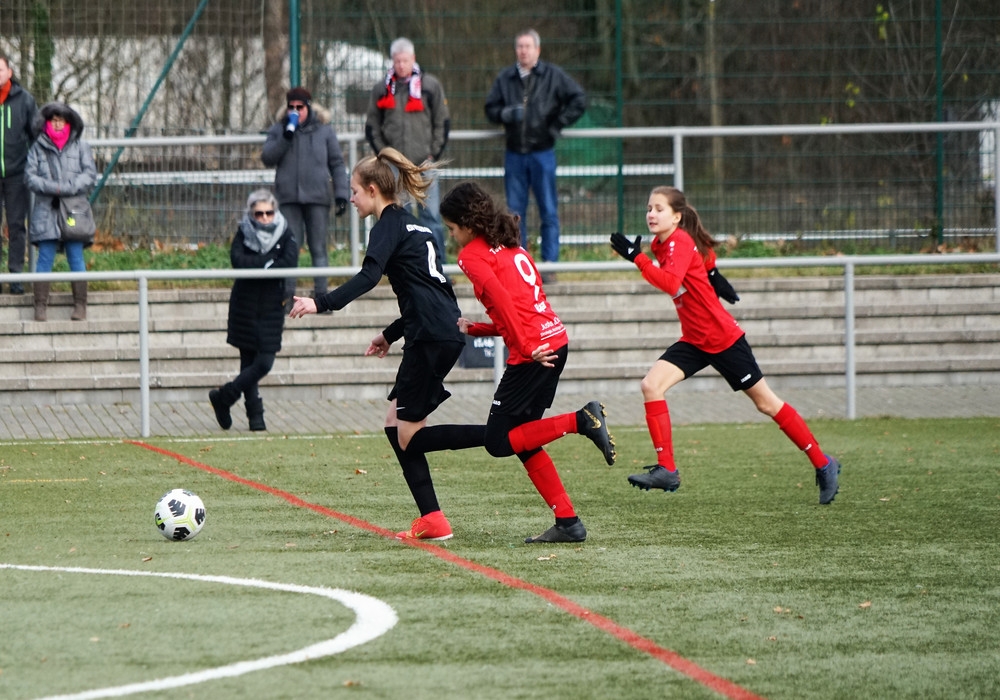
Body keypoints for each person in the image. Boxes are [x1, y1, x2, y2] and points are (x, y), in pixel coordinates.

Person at [289, 147, 482, 541]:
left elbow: (368, 277)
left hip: (429, 337)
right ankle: (433, 518)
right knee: (396, 424)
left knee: (407, 434)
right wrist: (390, 335)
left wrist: (319, 303)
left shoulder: (386, 226)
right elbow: (427, 293)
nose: (351, 199)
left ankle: (499, 433)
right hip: (442, 330)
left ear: (373, 190)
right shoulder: (418, 228)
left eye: (354, 191)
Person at [610, 186, 841, 505]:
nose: (651, 214)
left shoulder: (679, 240)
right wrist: (711, 271)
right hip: (695, 339)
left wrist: (637, 258)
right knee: (651, 385)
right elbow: (699, 256)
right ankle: (667, 470)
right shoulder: (661, 244)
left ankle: (824, 463)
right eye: (649, 208)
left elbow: (671, 282)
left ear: (676, 217)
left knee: (767, 404)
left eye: (659, 209)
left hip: (722, 339)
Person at [440, 181, 616, 543]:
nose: (452, 236)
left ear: (467, 223)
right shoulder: (509, 243)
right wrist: (478, 328)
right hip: (554, 341)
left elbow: (504, 301)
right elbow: (523, 305)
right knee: (524, 440)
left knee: (498, 441)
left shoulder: (471, 255)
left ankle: (581, 420)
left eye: (452, 228)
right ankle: (568, 522)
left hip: (534, 351)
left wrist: (524, 345)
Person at [484, 29, 586, 279]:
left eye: (528, 46)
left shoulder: (553, 76)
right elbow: (490, 108)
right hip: (515, 154)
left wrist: (557, 124)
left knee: (548, 210)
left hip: (542, 153)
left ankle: (550, 266)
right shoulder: (506, 78)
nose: (523, 51)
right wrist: (506, 114)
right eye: (520, 46)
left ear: (537, 50)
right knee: (514, 214)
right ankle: (520, 268)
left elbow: (578, 99)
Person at [208, 189, 298, 432]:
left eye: (269, 212)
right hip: (244, 305)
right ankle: (255, 417)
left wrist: (261, 267)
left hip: (272, 306)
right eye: (259, 214)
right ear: (252, 214)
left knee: (265, 362)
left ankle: (224, 397)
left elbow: (289, 261)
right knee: (247, 361)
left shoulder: (285, 232)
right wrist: (268, 262)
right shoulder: (243, 232)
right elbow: (239, 261)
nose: (265, 217)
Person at [365, 37, 450, 262]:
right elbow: (372, 126)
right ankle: (401, 266)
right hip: (393, 166)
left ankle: (438, 265)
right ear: (392, 61)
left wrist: (433, 153)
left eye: (405, 60)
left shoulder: (430, 86)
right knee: (395, 217)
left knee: (430, 217)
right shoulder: (382, 89)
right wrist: (384, 154)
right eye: (397, 61)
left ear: (413, 59)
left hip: (424, 164)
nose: (401, 65)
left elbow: (442, 122)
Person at [261, 86, 350, 302]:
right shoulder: (278, 129)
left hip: (317, 198)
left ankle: (322, 296)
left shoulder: (324, 131)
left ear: (308, 107)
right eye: (291, 107)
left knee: (318, 247)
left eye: (299, 107)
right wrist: (286, 136)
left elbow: (337, 163)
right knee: (290, 247)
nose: (295, 111)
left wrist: (341, 193)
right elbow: (267, 157)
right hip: (288, 198)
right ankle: (287, 296)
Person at [24, 102, 97, 322]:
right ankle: (40, 306)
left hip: (73, 213)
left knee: (75, 254)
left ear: (69, 123)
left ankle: (80, 306)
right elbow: (29, 177)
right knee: (45, 256)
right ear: (47, 123)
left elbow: (89, 175)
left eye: (61, 121)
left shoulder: (81, 147)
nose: (57, 124)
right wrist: (52, 187)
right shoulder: (37, 148)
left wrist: (67, 188)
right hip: (46, 211)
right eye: (53, 120)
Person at [0, 52, 38, 295]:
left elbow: (36, 135)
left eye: (0, 69)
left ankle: (16, 276)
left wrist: (32, 165)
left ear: (9, 72)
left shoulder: (25, 100)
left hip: (16, 174)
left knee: (16, 226)